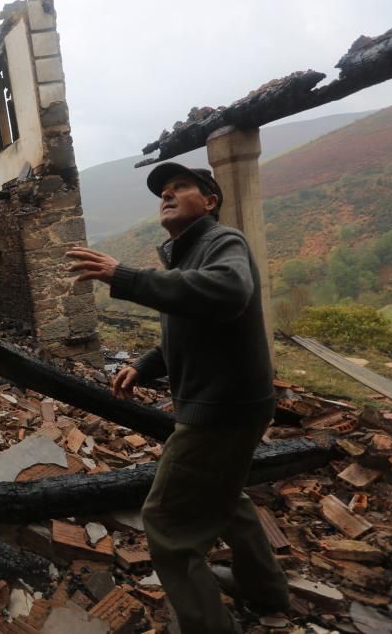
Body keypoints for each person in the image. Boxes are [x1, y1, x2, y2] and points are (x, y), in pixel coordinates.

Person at [65, 162, 289, 633]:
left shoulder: (222, 242)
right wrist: (145, 365)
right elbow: (192, 326)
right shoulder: (186, 256)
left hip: (222, 410)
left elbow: (228, 292)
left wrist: (123, 276)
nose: (166, 195)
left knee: (166, 522)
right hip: (232, 404)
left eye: (180, 187)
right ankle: (262, 586)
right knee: (225, 496)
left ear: (210, 201)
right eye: (162, 191)